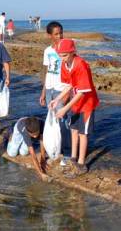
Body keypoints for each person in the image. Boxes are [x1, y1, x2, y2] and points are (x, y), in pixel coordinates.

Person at [49, 39, 99, 178]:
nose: (62, 58)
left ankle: (81, 164)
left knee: (83, 133)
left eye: (64, 55)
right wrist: (57, 99)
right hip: (75, 103)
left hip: (87, 104)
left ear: (73, 52)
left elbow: (83, 92)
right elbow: (69, 86)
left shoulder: (81, 65)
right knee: (73, 130)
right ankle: (73, 159)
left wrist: (65, 109)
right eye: (60, 55)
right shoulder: (65, 65)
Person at [39, 21, 71, 166]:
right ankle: (55, 149)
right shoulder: (47, 51)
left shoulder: (67, 50)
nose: (60, 36)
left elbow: (72, 72)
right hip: (50, 89)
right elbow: (46, 72)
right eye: (56, 34)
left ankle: (67, 152)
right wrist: (43, 92)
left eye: (61, 33)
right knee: (52, 121)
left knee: (63, 121)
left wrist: (67, 93)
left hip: (62, 89)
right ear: (49, 35)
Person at [7, 117, 50, 181]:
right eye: (33, 135)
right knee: (12, 154)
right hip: (19, 126)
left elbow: (42, 143)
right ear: (28, 132)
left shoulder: (42, 125)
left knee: (23, 153)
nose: (35, 136)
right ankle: (11, 136)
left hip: (30, 125)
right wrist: (40, 173)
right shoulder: (26, 132)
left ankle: (25, 141)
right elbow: (33, 156)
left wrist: (43, 160)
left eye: (36, 133)